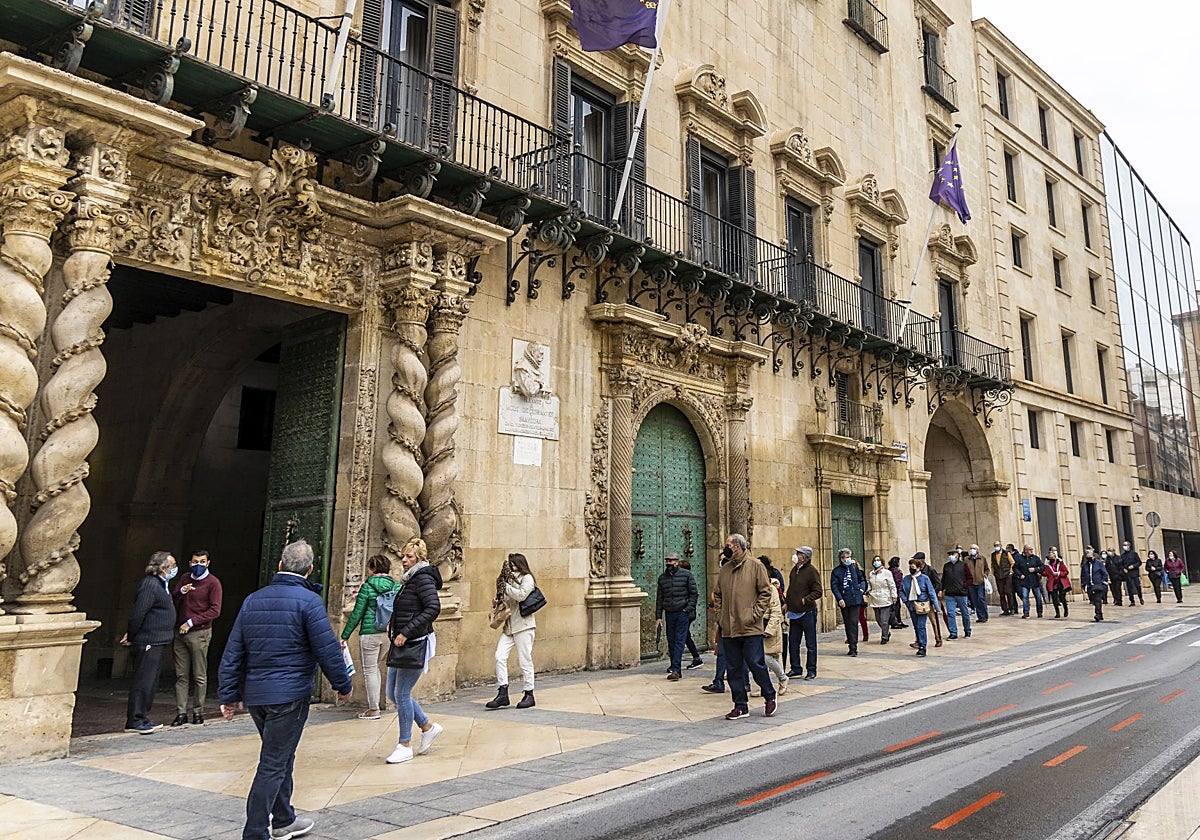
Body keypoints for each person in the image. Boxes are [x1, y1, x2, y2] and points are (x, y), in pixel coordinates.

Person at [218, 539, 352, 840]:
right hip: (289, 695)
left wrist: (228, 694)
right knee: (273, 763)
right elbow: (327, 649)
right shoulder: (309, 602)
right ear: (310, 569)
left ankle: (283, 819)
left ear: (280, 565)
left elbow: (233, 651)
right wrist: (342, 684)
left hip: (258, 696)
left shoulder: (253, 600)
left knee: (281, 755)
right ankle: (255, 832)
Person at [386, 538, 444, 762]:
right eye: (403, 556)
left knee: (401, 693)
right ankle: (427, 727)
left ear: (419, 558)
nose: (404, 560)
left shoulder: (423, 579)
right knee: (393, 693)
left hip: (414, 642)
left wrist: (406, 632)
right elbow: (406, 607)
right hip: (402, 642)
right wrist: (394, 623)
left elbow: (433, 608)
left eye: (409, 556)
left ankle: (404, 744)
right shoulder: (409, 580)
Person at [711, 534, 777, 720]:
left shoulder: (756, 566)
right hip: (729, 629)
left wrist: (753, 615)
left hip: (749, 627)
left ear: (738, 547)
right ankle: (740, 705)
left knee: (755, 663)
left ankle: (769, 695)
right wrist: (721, 616)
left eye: (728, 545)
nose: (725, 548)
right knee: (733, 668)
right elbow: (718, 595)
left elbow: (766, 593)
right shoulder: (725, 570)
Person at [121, 551, 178, 734]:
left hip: (159, 640)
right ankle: (135, 719)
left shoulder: (163, 585)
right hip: (149, 640)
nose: (175, 569)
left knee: (151, 681)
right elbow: (138, 613)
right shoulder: (150, 585)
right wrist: (131, 635)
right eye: (172, 565)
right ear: (163, 568)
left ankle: (143, 716)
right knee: (143, 681)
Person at [340, 554, 398, 720]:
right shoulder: (396, 586)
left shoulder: (367, 586)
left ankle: (374, 709)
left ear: (372, 569)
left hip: (369, 633)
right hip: (388, 634)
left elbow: (357, 613)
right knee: (376, 667)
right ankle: (377, 704)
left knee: (370, 669)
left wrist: (344, 635)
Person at [170, 549, 222, 728]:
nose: (197, 565)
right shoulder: (185, 578)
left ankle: (198, 712)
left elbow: (215, 610)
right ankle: (181, 712)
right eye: (194, 562)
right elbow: (173, 596)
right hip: (180, 632)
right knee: (181, 674)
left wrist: (191, 622)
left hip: (199, 632)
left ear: (208, 563)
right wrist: (181, 591)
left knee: (199, 675)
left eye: (201, 562)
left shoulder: (213, 583)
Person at [486, 552, 538, 710]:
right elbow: (508, 601)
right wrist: (498, 600)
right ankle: (503, 692)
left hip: (524, 626)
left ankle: (529, 693)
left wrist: (506, 587)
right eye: (510, 564)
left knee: (525, 660)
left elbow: (521, 595)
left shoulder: (527, 578)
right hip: (509, 627)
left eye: (514, 564)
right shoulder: (508, 580)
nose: (511, 567)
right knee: (499, 656)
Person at [655, 552, 698, 681]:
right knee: (671, 640)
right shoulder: (662, 578)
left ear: (677, 562)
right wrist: (658, 616)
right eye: (667, 560)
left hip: (682, 613)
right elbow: (659, 598)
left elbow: (694, 593)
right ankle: (675, 667)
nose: (669, 563)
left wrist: (688, 609)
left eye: (672, 561)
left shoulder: (686, 575)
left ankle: (675, 669)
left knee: (680, 640)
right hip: (669, 613)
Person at [784, 546, 821, 681]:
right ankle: (795, 668)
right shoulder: (795, 570)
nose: (796, 556)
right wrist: (787, 602)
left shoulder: (811, 571)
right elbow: (791, 588)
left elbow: (818, 591)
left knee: (810, 643)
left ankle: (811, 670)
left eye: (799, 554)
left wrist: (806, 600)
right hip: (794, 612)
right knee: (793, 642)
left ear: (804, 557)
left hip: (807, 612)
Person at [752, 578, 788, 696]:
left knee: (766, 657)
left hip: (768, 627)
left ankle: (782, 678)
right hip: (756, 627)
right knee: (756, 657)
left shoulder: (771, 589)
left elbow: (776, 612)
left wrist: (769, 630)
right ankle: (762, 685)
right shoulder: (752, 587)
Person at [900, 554, 940, 656]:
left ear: (918, 568)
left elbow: (931, 592)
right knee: (916, 626)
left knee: (921, 626)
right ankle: (919, 642)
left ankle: (923, 646)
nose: (911, 569)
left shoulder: (924, 578)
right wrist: (906, 601)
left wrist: (936, 605)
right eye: (910, 567)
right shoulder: (906, 579)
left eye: (913, 567)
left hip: (922, 604)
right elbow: (901, 591)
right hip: (912, 605)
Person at [831, 548, 867, 656]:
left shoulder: (854, 568)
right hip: (845, 600)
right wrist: (839, 599)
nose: (847, 559)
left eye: (848, 557)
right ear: (841, 559)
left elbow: (862, 580)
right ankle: (850, 643)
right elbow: (834, 586)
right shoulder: (836, 571)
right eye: (845, 557)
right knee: (847, 623)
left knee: (853, 622)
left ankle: (854, 646)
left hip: (855, 598)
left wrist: (861, 589)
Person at [678, 558, 705, 669]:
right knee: (684, 636)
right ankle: (696, 657)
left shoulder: (688, 580)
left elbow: (693, 595)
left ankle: (678, 663)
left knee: (681, 636)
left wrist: (687, 609)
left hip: (687, 613)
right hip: (684, 612)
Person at [941, 548, 972, 639]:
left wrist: (964, 585)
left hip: (961, 593)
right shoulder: (946, 566)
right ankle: (953, 632)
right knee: (950, 613)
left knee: (965, 613)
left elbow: (970, 578)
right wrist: (941, 589)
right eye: (949, 554)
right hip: (949, 593)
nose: (951, 556)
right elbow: (944, 579)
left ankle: (967, 630)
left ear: (957, 555)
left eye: (952, 554)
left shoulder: (963, 565)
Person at [868, 555, 897, 644]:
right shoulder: (871, 573)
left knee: (884, 620)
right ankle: (887, 632)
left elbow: (892, 585)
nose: (876, 562)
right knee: (878, 619)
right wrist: (868, 590)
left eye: (878, 560)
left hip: (885, 598)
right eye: (875, 560)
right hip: (875, 598)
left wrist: (894, 596)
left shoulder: (887, 573)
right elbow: (870, 584)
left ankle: (884, 637)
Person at [1014, 544, 1045, 618]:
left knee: (1038, 597)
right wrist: (1020, 574)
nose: (1031, 551)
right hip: (1025, 581)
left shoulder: (1035, 558)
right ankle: (1026, 612)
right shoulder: (1019, 558)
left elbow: (1042, 567)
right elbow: (1015, 568)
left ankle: (1039, 612)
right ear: (1025, 550)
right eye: (1029, 549)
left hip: (1035, 581)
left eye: (1031, 549)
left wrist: (1035, 569)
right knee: (1025, 597)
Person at [1080, 548, 1109, 622]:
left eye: (1090, 554)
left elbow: (1104, 573)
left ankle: (1098, 614)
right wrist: (1083, 584)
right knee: (1093, 600)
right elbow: (1083, 575)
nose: (1088, 556)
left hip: (1098, 584)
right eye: (1087, 555)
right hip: (1090, 586)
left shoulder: (1098, 563)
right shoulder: (1085, 565)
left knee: (1098, 600)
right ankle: (1100, 614)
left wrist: (1103, 582)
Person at [965, 544, 989, 623]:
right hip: (971, 583)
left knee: (981, 598)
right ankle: (980, 616)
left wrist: (985, 575)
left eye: (974, 548)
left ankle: (985, 615)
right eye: (971, 548)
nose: (972, 550)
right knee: (975, 600)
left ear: (977, 550)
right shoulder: (966, 559)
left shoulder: (982, 558)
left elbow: (987, 569)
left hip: (980, 582)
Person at [1044, 547, 1071, 618]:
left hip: (1060, 582)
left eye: (1052, 555)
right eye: (1049, 556)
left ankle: (1065, 609)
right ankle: (1057, 612)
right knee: (1054, 598)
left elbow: (1066, 572)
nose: (1050, 557)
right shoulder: (1047, 564)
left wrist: (1058, 573)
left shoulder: (1060, 563)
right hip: (1052, 583)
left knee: (1062, 597)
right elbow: (1045, 573)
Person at [993, 542, 1016, 616]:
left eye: (997, 545)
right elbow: (992, 565)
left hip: (1007, 575)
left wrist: (1010, 571)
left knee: (1008, 591)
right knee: (1001, 593)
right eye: (995, 545)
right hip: (998, 576)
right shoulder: (993, 555)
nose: (996, 547)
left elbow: (1012, 562)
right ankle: (1005, 609)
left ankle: (1011, 608)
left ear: (1000, 546)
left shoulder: (1006, 553)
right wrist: (994, 573)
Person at [1121, 541, 1144, 606]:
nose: (1124, 546)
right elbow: (1121, 564)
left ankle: (1140, 597)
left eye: (1126, 545)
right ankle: (1132, 601)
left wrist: (1133, 566)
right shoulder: (1123, 555)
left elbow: (1139, 562)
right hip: (1127, 573)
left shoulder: (1134, 554)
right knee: (1129, 587)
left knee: (1137, 585)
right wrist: (1124, 569)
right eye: (1123, 545)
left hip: (1134, 572)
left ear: (1129, 546)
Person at [888, 557, 907, 629]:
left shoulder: (893, 570)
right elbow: (897, 581)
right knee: (895, 607)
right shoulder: (894, 571)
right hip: (895, 591)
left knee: (897, 607)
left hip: (897, 591)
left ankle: (898, 621)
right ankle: (895, 622)